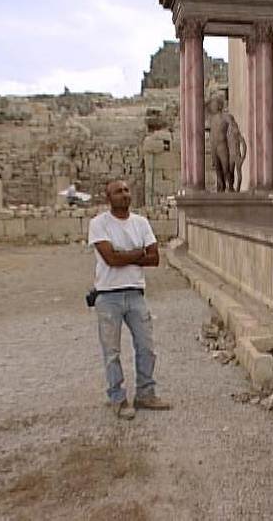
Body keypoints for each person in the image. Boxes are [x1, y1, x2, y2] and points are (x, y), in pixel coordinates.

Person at [87, 179, 171, 420]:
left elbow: (155, 258)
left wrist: (123, 255)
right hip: (107, 296)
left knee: (146, 347)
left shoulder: (141, 223)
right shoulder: (99, 224)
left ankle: (145, 394)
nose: (124, 195)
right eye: (118, 192)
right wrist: (138, 253)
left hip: (135, 293)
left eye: (126, 190)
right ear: (108, 198)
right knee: (112, 352)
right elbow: (110, 259)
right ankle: (118, 397)